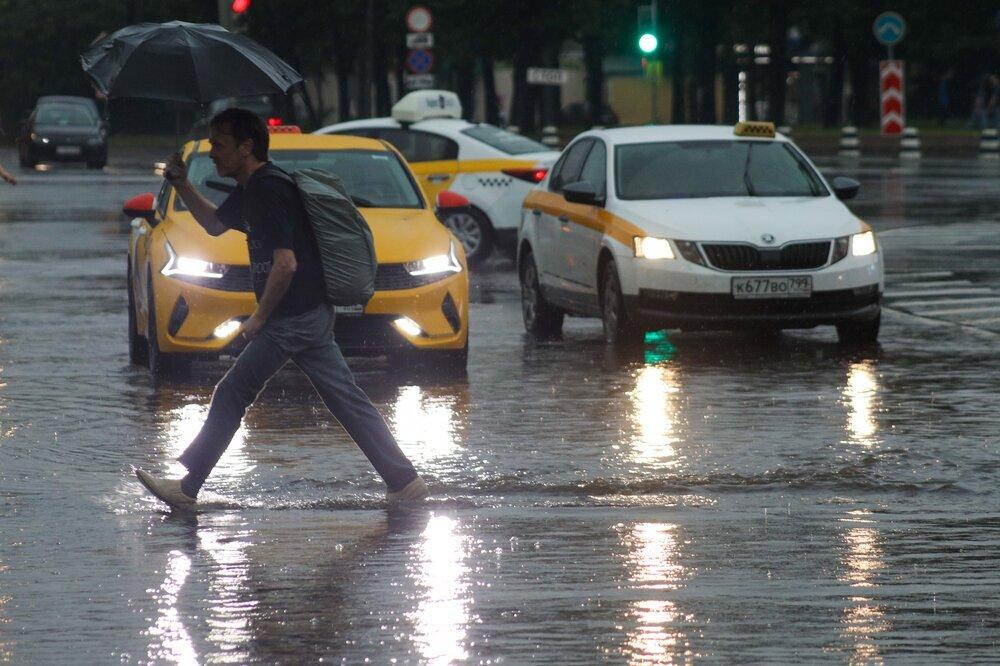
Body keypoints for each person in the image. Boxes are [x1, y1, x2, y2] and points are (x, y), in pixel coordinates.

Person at [135, 108, 428, 510]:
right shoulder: (253, 187)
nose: (214, 153)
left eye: (220, 145)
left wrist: (259, 318)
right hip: (308, 313)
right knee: (345, 397)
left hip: (293, 316)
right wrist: (182, 183)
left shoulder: (269, 189)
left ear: (247, 146)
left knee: (232, 392)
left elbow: (286, 262)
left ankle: (186, 489)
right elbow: (215, 225)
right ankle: (404, 481)